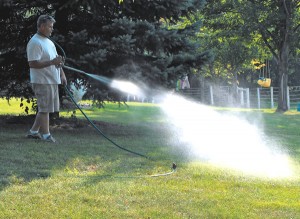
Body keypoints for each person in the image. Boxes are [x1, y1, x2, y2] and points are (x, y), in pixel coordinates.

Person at [26, 15, 67, 143]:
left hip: (52, 80)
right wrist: (51, 62)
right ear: (42, 26)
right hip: (42, 81)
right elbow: (32, 63)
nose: (51, 29)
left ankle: (33, 132)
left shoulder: (49, 42)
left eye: (52, 27)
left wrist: (62, 74)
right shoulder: (35, 42)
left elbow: (56, 60)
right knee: (45, 109)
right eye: (50, 26)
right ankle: (46, 135)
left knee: (46, 108)